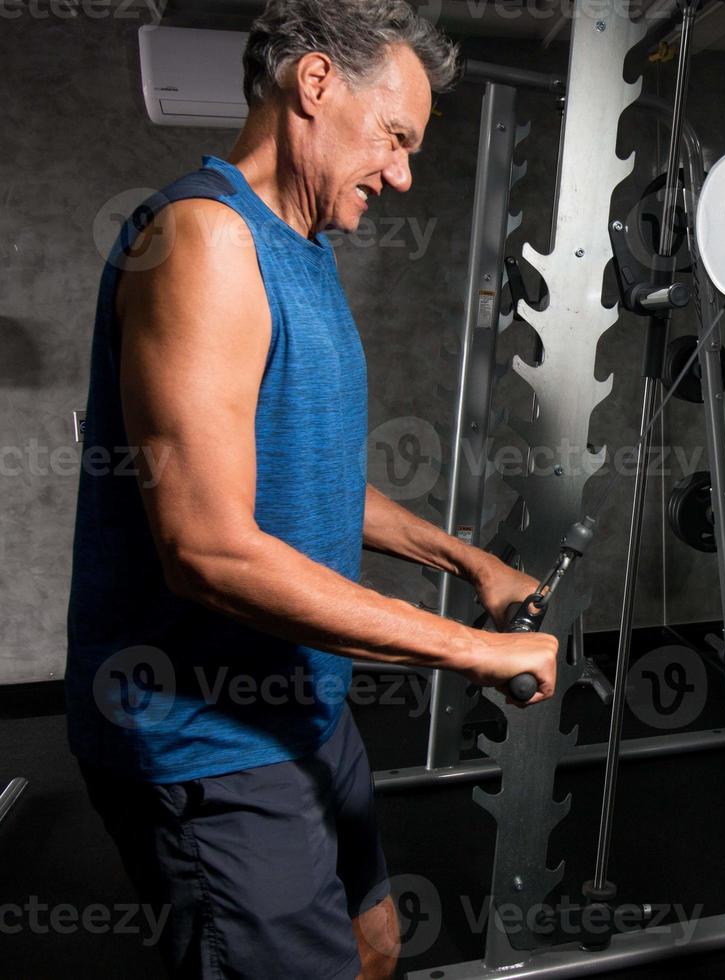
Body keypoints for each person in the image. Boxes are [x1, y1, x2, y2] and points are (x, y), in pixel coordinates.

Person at [65, 2, 558, 976]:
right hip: (206, 736)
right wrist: (468, 650)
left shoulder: (304, 247)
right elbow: (209, 546)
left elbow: (311, 480)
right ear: (318, 84)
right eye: (396, 136)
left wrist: (470, 562)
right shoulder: (204, 243)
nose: (403, 172)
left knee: (375, 940)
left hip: (304, 699)